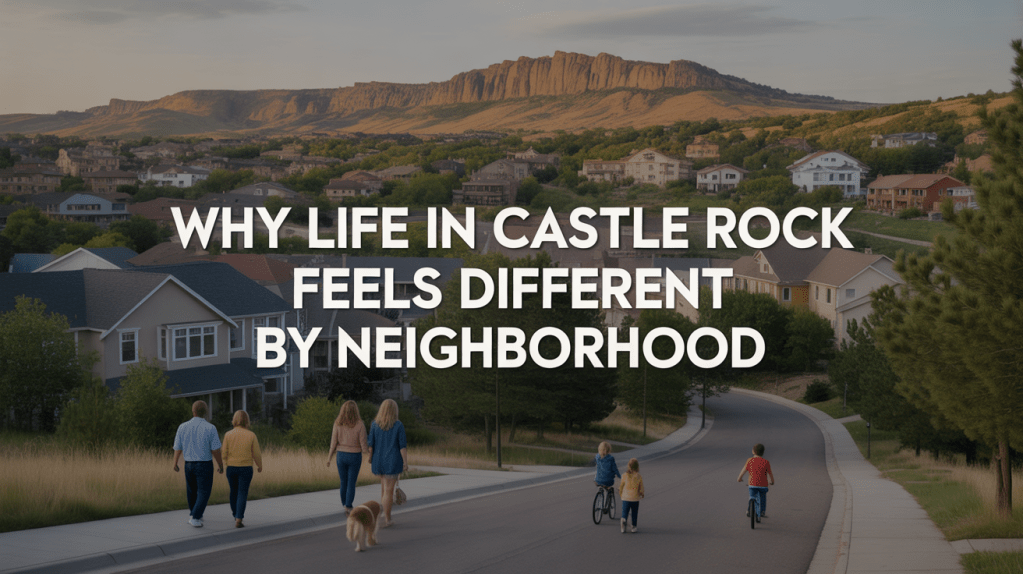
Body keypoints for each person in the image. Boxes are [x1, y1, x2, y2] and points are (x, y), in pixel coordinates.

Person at [172, 400, 223, 528]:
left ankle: (194, 514)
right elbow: (216, 450)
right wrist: (221, 465)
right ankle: (195, 517)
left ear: (193, 411)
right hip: (204, 464)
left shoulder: (182, 427)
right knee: (204, 492)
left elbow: (178, 447)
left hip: (188, 464)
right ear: (205, 412)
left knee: (191, 491)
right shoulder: (211, 428)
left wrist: (175, 462)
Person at [367, 399, 408, 528]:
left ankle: (383, 515)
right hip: (392, 460)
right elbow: (402, 446)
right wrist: (405, 462)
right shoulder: (398, 425)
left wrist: (370, 458)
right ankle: (387, 519)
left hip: (378, 461)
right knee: (389, 491)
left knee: (384, 489)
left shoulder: (374, 425)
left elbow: (370, 445)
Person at [326, 400, 368, 516]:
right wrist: (369, 454)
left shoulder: (337, 423)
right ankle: (348, 506)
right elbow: (363, 444)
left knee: (343, 481)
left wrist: (329, 458)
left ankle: (344, 503)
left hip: (341, 456)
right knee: (351, 482)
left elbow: (333, 443)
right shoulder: (360, 424)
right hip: (355, 456)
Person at [222, 410, 262, 528]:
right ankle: (239, 518)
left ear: (234, 420)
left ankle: (235, 514)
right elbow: (256, 453)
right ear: (247, 421)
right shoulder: (251, 435)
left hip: (231, 468)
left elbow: (224, 452)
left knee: (233, 492)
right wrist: (259, 465)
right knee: (242, 493)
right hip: (246, 468)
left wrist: (225, 463)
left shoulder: (228, 434)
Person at [737, 443, 775, 521]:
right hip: (763, 485)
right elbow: (770, 474)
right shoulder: (766, 462)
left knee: (752, 496)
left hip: (752, 484)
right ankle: (762, 511)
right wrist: (772, 481)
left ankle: (749, 510)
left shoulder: (749, 460)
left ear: (753, 451)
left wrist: (739, 478)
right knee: (763, 497)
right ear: (763, 452)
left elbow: (743, 471)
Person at [619, 458, 644, 533]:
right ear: (637, 467)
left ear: (628, 466)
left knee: (625, 511)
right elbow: (641, 488)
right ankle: (633, 526)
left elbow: (621, 486)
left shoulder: (624, 475)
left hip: (625, 497)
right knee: (634, 512)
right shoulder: (639, 476)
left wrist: (621, 494)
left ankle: (623, 522)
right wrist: (642, 494)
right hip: (635, 498)